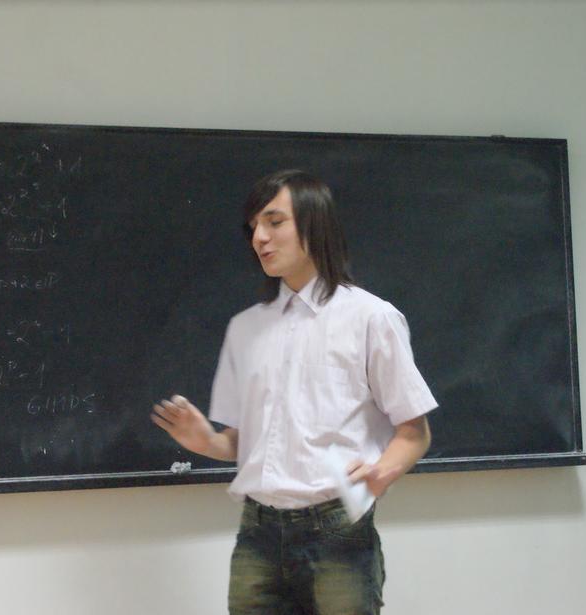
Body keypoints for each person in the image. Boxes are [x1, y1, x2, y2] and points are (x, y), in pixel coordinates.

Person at [151, 169, 437, 614]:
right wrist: (205, 441)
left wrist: (385, 470)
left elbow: (414, 431)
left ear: (313, 223)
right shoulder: (245, 328)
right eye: (253, 228)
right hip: (258, 531)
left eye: (274, 222)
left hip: (337, 525)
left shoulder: (371, 318)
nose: (259, 238)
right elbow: (241, 443)